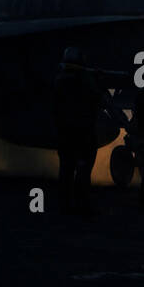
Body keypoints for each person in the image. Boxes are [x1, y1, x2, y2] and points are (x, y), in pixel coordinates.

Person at [53, 46, 105, 214]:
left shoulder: (59, 80)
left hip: (65, 135)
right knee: (83, 170)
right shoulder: (84, 81)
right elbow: (96, 99)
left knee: (66, 170)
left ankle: (64, 205)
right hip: (83, 135)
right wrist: (96, 79)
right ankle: (82, 205)